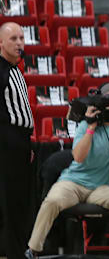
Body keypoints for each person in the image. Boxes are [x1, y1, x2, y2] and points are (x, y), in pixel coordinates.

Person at [26, 83, 109, 259]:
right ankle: (33, 250)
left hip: (101, 188)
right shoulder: (85, 126)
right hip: (73, 183)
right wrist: (91, 127)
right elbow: (78, 157)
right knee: (52, 200)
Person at [0, 23, 33, 259]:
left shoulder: (16, 69)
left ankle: (20, 252)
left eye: (22, 37)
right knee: (10, 204)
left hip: (21, 143)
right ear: (1, 43)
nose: (19, 42)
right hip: (6, 142)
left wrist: (28, 143)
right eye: (13, 38)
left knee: (20, 202)